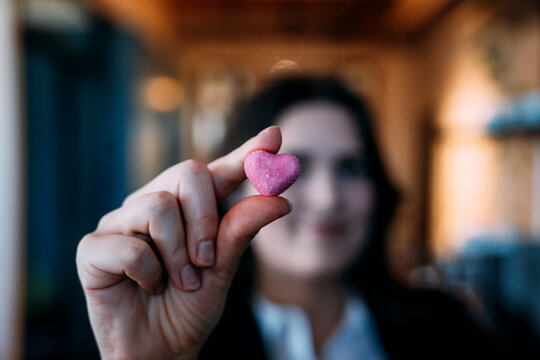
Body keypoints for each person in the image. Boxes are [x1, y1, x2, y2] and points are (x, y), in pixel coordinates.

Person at [76, 76, 516, 359]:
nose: (326, 199)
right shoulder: (184, 338)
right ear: (230, 189)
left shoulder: (447, 330)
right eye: (298, 164)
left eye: (351, 167)